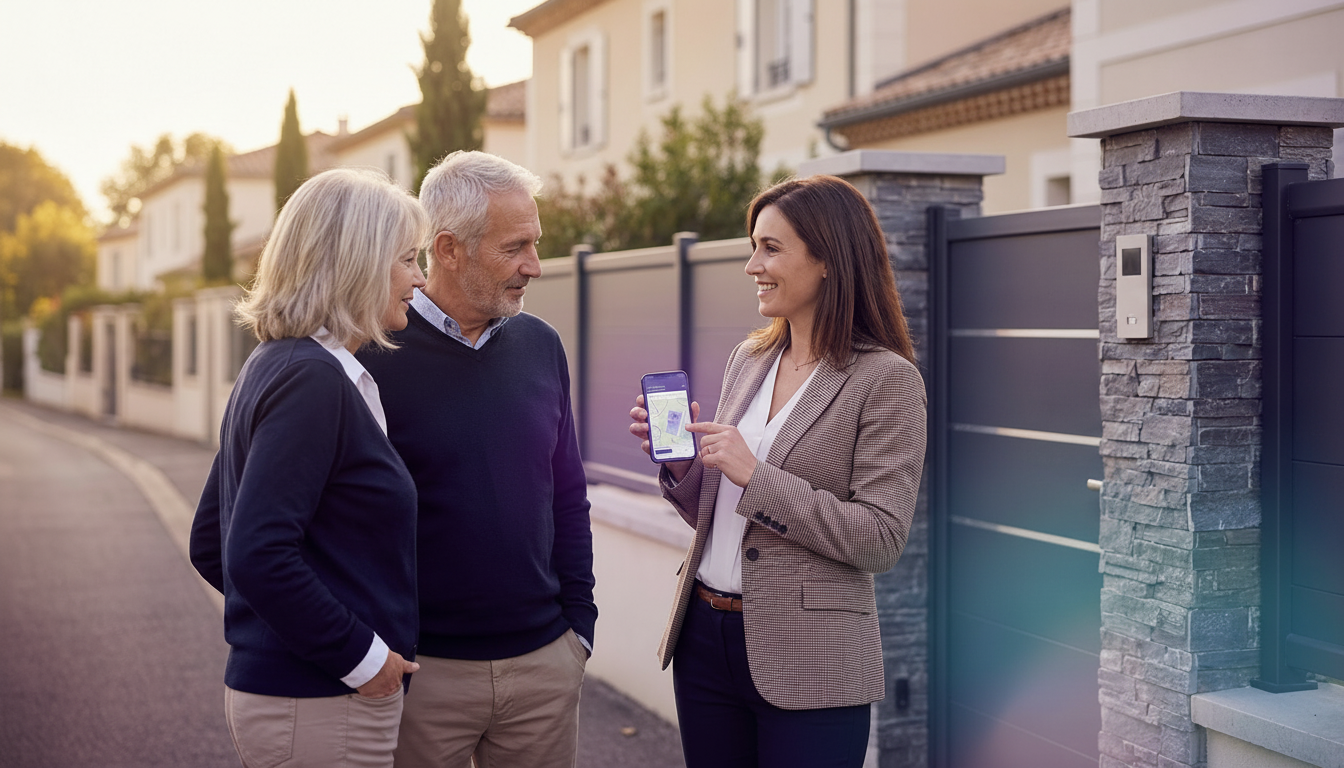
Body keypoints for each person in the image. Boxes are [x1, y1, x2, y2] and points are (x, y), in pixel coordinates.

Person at [628, 175, 927, 768]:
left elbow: (880, 538)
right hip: (704, 638)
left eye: (770, 248)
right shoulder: (750, 358)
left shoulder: (886, 380)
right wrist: (686, 467)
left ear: (828, 259)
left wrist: (755, 474)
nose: (752, 266)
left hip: (811, 658)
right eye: (753, 246)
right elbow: (724, 514)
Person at [357, 151, 596, 768]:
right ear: (449, 249)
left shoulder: (541, 345)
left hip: (545, 665)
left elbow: (567, 494)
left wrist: (579, 628)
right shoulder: (371, 356)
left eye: (535, 243)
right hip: (421, 673)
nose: (534, 265)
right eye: (515, 247)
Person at [189, 167, 428, 768]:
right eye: (407, 260)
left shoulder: (277, 363)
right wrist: (364, 660)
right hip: (321, 703)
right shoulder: (311, 380)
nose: (420, 278)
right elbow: (254, 554)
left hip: (303, 696)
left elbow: (211, 541)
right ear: (358, 263)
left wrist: (281, 631)